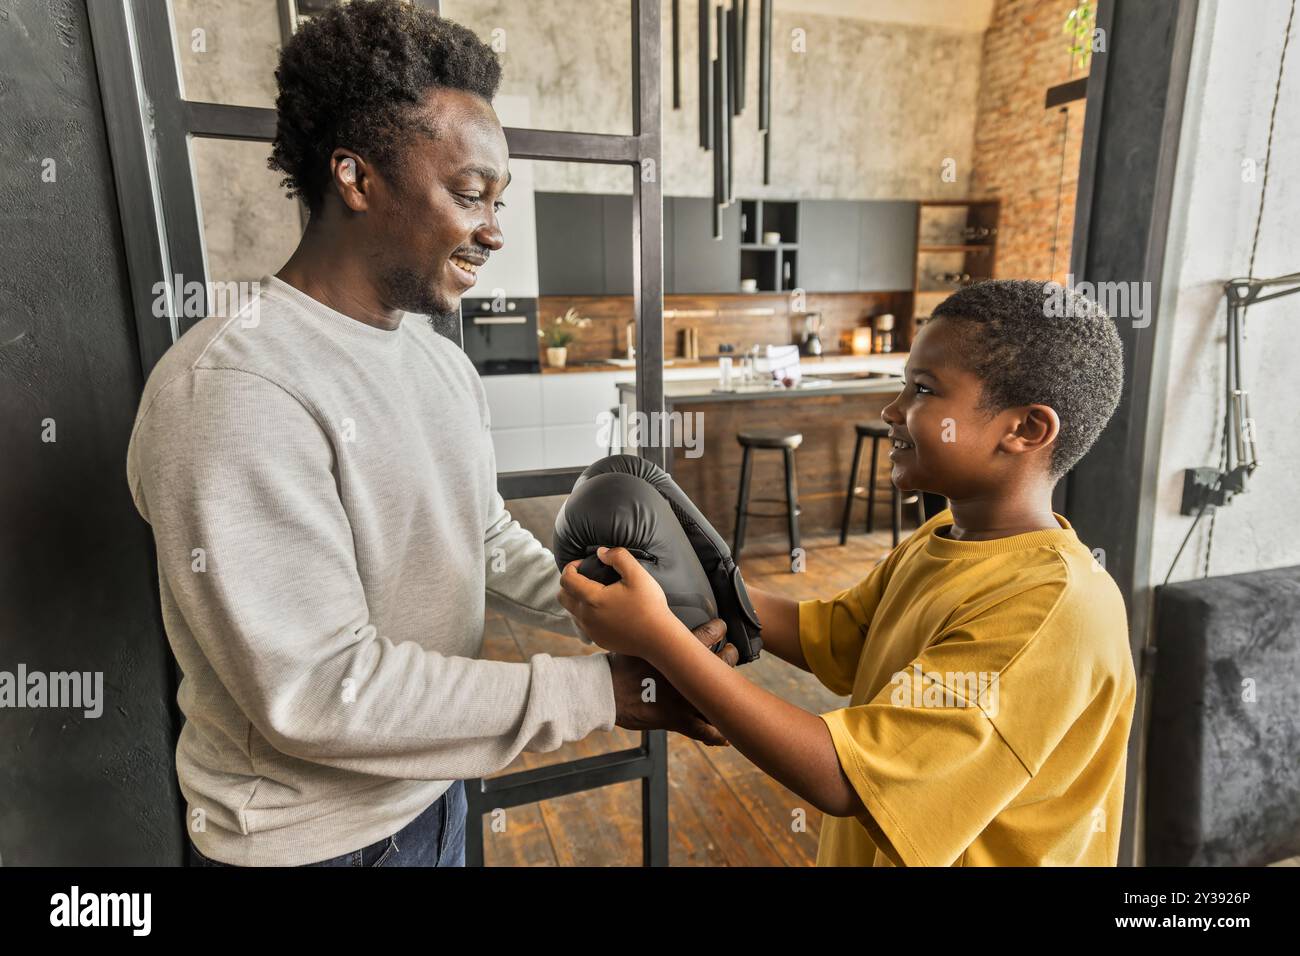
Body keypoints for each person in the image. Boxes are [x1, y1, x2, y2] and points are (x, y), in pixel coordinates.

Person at [126, 0, 732, 869]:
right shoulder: (233, 389)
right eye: (469, 193)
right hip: (310, 845)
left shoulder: (435, 359)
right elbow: (320, 691)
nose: (492, 230)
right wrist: (605, 690)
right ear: (357, 178)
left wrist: (621, 606)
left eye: (498, 199)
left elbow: (477, 535)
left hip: (435, 788)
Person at [560, 279, 1137, 866]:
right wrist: (692, 581)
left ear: (1026, 430)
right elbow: (839, 636)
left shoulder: (1047, 609)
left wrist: (659, 639)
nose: (891, 409)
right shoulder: (945, 538)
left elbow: (845, 779)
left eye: (923, 390)